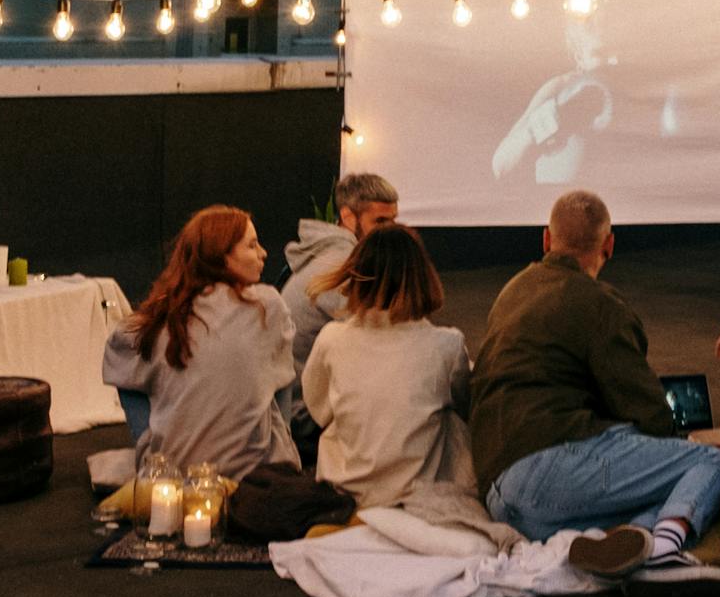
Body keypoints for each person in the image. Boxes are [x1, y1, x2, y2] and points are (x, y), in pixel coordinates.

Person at [470, 189, 720, 597]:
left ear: (546, 240)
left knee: (658, 487)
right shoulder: (600, 304)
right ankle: (666, 551)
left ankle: (635, 541)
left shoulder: (513, 290)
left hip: (502, 496)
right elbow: (649, 413)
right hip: (553, 467)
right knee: (718, 465)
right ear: (609, 245)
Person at [102, 205, 297, 480]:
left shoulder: (164, 313)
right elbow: (282, 378)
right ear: (222, 256)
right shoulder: (267, 304)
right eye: (252, 246)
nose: (264, 253)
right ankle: (278, 463)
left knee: (271, 371)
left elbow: (116, 352)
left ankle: (152, 460)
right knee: (278, 374)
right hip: (253, 476)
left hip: (174, 475)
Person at [300, 224, 473, 508]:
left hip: (344, 493)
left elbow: (318, 410)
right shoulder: (447, 346)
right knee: (451, 417)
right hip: (415, 496)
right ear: (422, 276)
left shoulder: (331, 339)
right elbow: (466, 407)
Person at [281, 170, 399, 451]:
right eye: (380, 221)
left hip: (297, 402)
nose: (390, 231)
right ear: (348, 218)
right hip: (303, 416)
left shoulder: (328, 254)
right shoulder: (343, 266)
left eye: (393, 220)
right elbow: (379, 345)